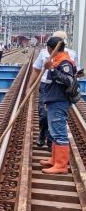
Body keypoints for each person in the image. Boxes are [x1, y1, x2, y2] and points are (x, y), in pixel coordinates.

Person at [33, 31, 79, 148]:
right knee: (46, 118)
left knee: (57, 128)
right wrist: (31, 85)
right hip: (49, 91)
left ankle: (58, 161)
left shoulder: (66, 58)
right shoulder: (50, 55)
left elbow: (69, 78)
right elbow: (36, 69)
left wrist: (52, 69)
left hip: (58, 95)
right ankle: (46, 142)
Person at [39, 36, 77, 174]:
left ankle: (61, 165)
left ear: (50, 49)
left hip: (59, 100)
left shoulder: (65, 62)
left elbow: (68, 80)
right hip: (53, 99)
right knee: (54, 132)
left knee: (59, 132)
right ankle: (54, 160)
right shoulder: (58, 59)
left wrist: (52, 70)